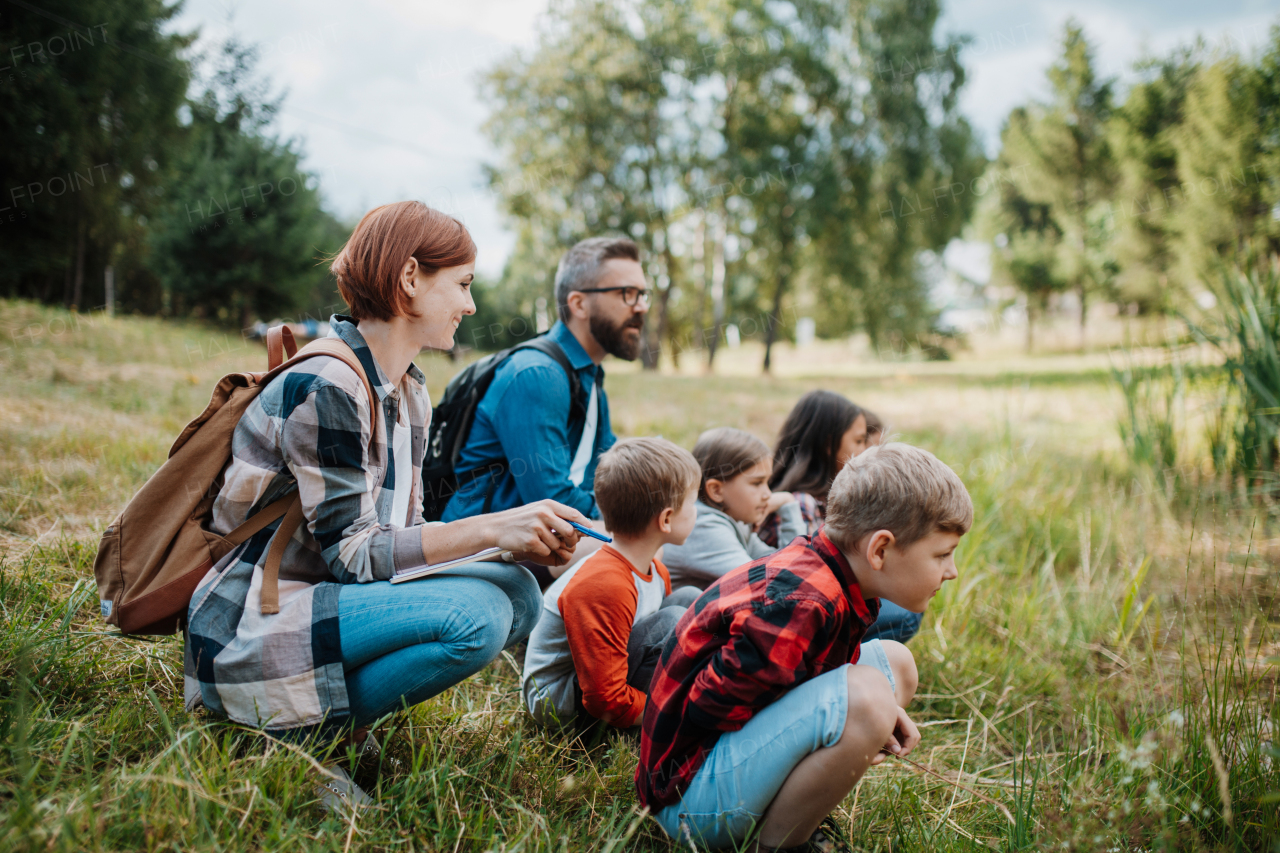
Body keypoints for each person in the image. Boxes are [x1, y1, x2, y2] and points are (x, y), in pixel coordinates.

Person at [183, 201, 587, 812]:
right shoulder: (328, 385)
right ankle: (282, 736)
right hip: (251, 621)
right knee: (473, 619)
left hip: (320, 599)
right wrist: (488, 526)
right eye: (463, 284)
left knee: (520, 592)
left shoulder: (408, 389)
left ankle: (323, 722)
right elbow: (353, 556)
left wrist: (504, 541)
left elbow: (404, 533)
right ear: (409, 280)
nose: (471, 305)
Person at [635, 443, 973, 852]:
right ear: (880, 550)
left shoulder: (831, 575)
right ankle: (779, 845)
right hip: (689, 804)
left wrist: (840, 718)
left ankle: (794, 811)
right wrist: (860, 719)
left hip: (716, 769)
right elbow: (708, 709)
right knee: (868, 700)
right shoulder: (802, 604)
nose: (952, 572)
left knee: (895, 665)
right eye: (943, 554)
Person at [442, 237, 649, 533]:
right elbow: (554, 502)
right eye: (628, 294)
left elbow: (607, 476)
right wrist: (636, 518)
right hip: (484, 554)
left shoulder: (588, 374)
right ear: (578, 304)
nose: (641, 307)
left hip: (541, 544)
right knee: (645, 544)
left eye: (643, 294)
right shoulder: (538, 374)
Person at [521, 438, 702, 734]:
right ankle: (678, 705)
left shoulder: (653, 568)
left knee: (690, 599)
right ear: (666, 519)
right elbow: (604, 699)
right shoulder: (604, 584)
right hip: (564, 705)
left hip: (599, 678)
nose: (697, 512)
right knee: (673, 620)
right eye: (693, 504)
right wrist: (674, 715)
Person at [759, 390, 921, 644]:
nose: (866, 451)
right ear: (828, 443)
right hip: (799, 620)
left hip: (819, 604)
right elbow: (804, 582)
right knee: (906, 613)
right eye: (859, 442)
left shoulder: (822, 499)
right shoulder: (800, 505)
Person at [661, 427, 806, 591]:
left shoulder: (734, 520)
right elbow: (777, 583)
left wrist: (787, 502)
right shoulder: (705, 527)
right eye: (757, 483)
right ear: (716, 490)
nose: (767, 494)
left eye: (767, 482)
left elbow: (789, 564)